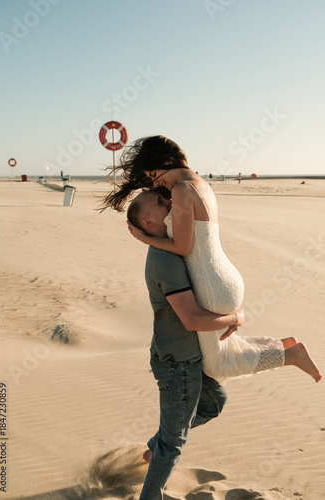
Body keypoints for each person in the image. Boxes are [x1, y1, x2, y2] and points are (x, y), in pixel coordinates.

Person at [99, 135, 321, 385]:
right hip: (221, 278)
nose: (155, 182)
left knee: (217, 364)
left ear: (168, 161)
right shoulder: (199, 184)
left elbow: (183, 247)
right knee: (225, 348)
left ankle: (289, 355)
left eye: (154, 174)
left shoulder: (183, 189)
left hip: (212, 285)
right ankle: (282, 346)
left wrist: (144, 238)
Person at [125, 190, 245, 499]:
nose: (170, 204)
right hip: (178, 361)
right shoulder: (164, 259)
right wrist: (235, 317)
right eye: (162, 203)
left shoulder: (169, 246)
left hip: (187, 355)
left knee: (214, 403)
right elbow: (191, 318)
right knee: (173, 443)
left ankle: (156, 448)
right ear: (147, 220)